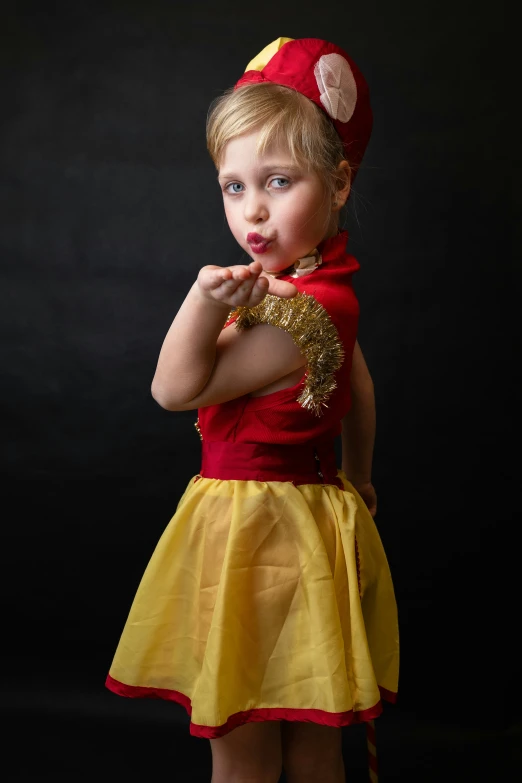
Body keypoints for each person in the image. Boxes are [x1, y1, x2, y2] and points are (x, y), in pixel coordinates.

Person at [106, 37, 399, 783]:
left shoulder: (298, 313)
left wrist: (201, 302)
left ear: (339, 184)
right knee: (308, 732)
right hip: (306, 522)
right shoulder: (332, 292)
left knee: (241, 738)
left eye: (277, 181)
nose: (253, 211)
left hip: (256, 534)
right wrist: (358, 477)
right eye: (233, 186)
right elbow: (360, 390)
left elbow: (173, 390)